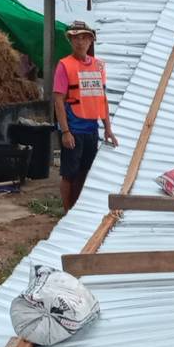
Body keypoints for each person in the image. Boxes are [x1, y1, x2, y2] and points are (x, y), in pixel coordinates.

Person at [50, 21, 116, 210]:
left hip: (91, 129)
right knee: (69, 175)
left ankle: (76, 210)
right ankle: (67, 211)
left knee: (84, 173)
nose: (80, 42)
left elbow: (102, 98)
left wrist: (108, 129)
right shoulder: (65, 66)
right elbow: (58, 101)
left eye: (84, 38)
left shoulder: (98, 66)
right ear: (70, 40)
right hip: (73, 130)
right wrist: (65, 131)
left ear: (90, 41)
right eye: (75, 38)